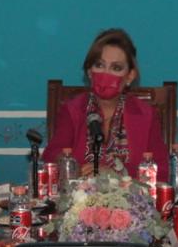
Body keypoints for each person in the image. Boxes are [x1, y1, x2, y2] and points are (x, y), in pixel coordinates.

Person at [43, 28, 169, 178]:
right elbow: (51, 158)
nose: (106, 74)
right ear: (89, 72)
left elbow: (162, 171)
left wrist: (115, 176)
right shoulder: (72, 110)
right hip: (81, 191)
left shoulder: (146, 115)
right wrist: (72, 168)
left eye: (116, 68)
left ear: (130, 76)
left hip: (130, 192)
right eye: (99, 65)